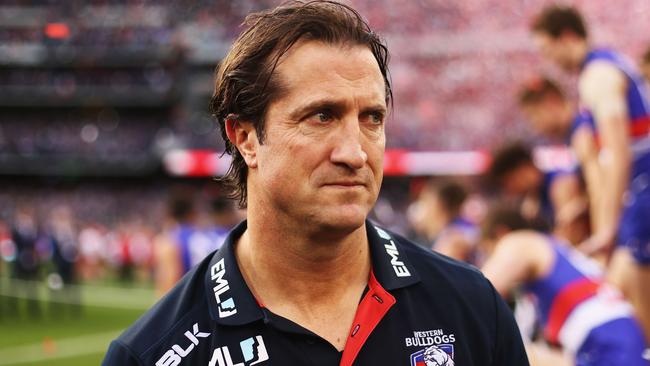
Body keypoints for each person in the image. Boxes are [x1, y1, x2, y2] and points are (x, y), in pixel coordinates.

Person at [103, 2, 529, 365]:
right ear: (246, 138)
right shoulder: (150, 354)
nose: (355, 152)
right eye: (322, 116)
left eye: (372, 119)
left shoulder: (471, 306)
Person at [530, 5, 650, 340]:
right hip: (640, 197)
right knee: (620, 300)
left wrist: (607, 228)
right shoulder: (610, 64)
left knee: (638, 320)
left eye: (546, 48)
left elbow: (618, 153)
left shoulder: (597, 75)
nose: (547, 58)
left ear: (566, 37)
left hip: (643, 197)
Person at [480, 205, 648, 366]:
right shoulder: (556, 248)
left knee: (502, 352)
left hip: (609, 347)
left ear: (501, 233)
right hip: (623, 344)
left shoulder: (519, 242)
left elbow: (476, 293)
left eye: (489, 252)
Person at [486, 142, 584, 241]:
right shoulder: (531, 203)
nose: (510, 191)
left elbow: (572, 237)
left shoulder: (561, 184)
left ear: (522, 170)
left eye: (509, 183)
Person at [411, 179, 482, 264]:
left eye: (425, 201)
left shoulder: (454, 241)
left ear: (438, 205)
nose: (422, 208)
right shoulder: (455, 232)